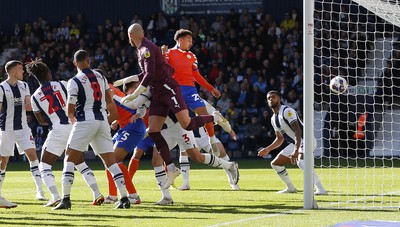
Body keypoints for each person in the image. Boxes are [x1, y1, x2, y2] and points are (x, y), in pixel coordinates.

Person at [121, 23, 232, 189]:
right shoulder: (153, 51)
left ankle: (214, 121)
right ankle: (173, 171)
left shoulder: (149, 49)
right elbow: (155, 71)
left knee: (189, 131)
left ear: (130, 36)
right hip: (161, 95)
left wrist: (135, 93)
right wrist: (130, 80)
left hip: (172, 90)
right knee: (154, 134)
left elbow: (154, 74)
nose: (190, 43)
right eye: (188, 40)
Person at [53, 50, 130, 210]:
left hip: (85, 120)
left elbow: (70, 108)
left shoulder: (74, 81)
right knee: (111, 161)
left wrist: (75, 123)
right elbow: (111, 104)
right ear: (89, 60)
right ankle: (124, 198)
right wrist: (103, 122)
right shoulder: (101, 77)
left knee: (69, 157)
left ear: (75, 63)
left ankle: (66, 199)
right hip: (102, 120)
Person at [27, 59, 105, 207]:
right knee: (79, 162)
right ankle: (97, 193)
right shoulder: (63, 84)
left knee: (44, 165)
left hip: (58, 128)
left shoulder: (35, 97)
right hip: (75, 126)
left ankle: (55, 196)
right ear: (49, 73)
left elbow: (41, 120)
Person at [161, 29, 236, 156]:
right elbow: (164, 69)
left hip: (190, 90)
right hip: (175, 91)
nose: (191, 43)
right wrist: (163, 54)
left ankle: (212, 141)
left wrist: (211, 89)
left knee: (204, 114)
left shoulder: (192, 56)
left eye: (192, 41)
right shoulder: (168, 53)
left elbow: (197, 76)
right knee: (179, 123)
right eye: (189, 40)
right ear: (180, 40)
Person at [257, 91, 327, 195]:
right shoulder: (273, 119)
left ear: (279, 99)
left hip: (307, 140)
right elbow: (280, 138)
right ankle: (291, 188)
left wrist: (296, 150)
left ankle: (321, 189)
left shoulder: (287, 111)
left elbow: (298, 131)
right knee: (276, 164)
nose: (271, 99)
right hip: (295, 144)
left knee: (301, 161)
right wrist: (268, 149)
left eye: (274, 97)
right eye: (269, 98)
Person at [0, 60, 45, 209]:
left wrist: (29, 105)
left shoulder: (24, 85)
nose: (23, 72)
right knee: (3, 162)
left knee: (33, 155)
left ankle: (40, 191)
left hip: (23, 128)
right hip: (6, 128)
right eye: (20, 69)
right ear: (13, 71)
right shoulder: (1, 87)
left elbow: (28, 104)